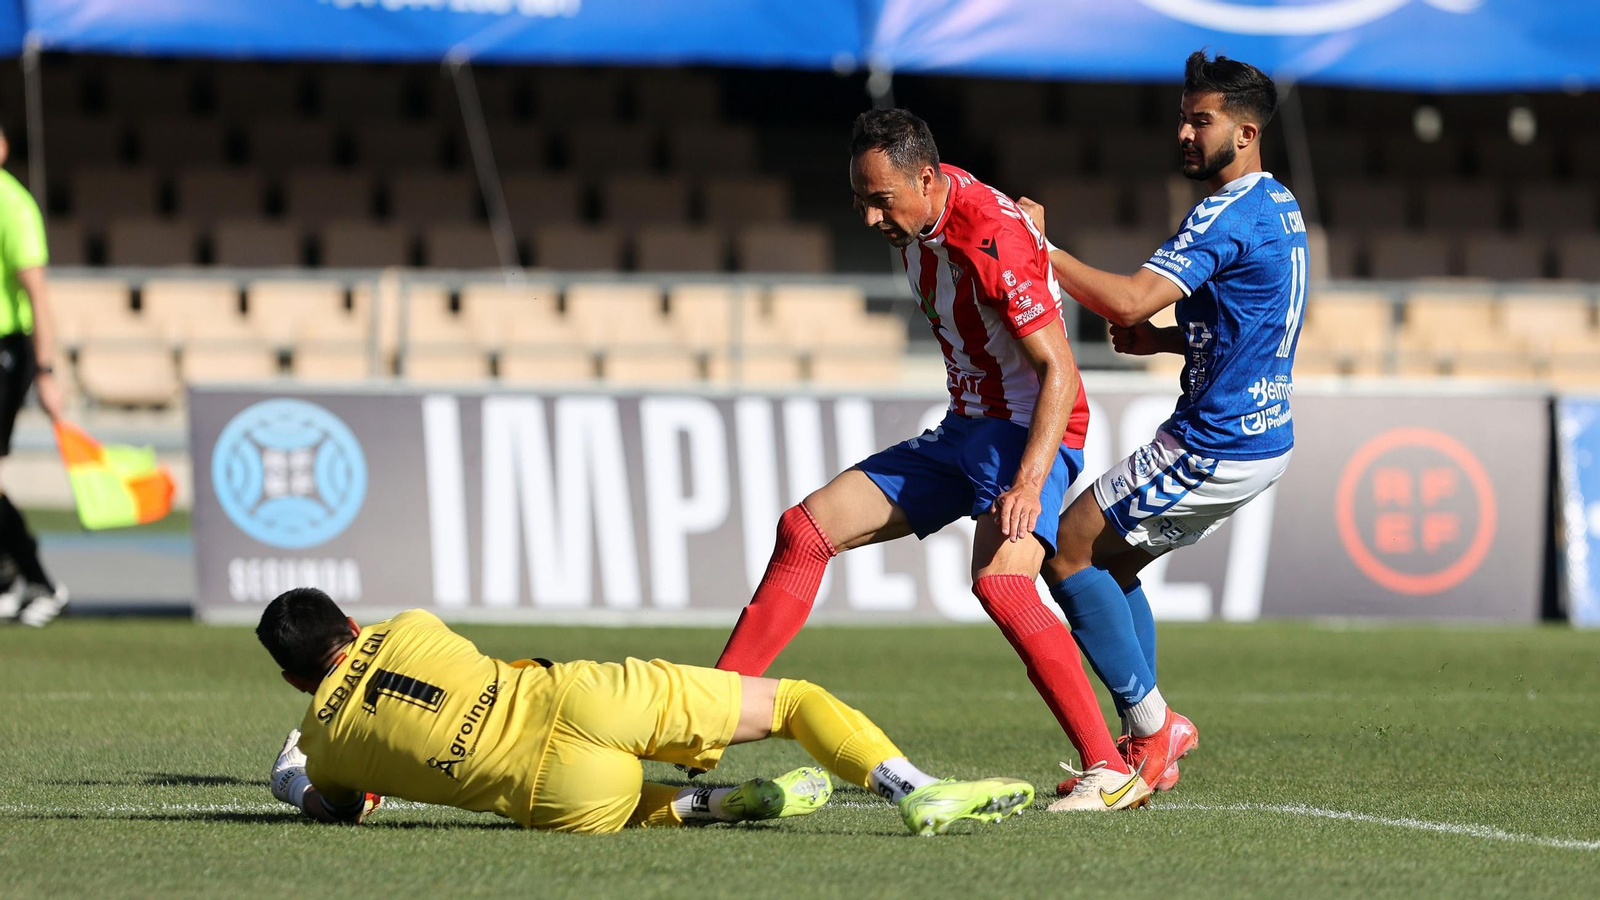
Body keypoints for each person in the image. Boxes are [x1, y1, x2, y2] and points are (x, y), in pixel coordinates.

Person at [713, 108, 1152, 813]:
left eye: (881, 200)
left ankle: (1109, 769)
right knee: (806, 528)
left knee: (1003, 585)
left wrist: (1031, 483)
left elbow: (1061, 374)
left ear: (925, 178)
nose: (870, 218)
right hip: (963, 429)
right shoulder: (929, 209)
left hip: (1024, 433)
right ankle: (707, 713)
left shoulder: (991, 237)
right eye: (859, 200)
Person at [1017, 51, 1306, 796]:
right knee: (1109, 566)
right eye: (1181, 116)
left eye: (1199, 120)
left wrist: (1040, 254)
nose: (1182, 131)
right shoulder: (1279, 205)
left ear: (1245, 132)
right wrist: (1170, 341)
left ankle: (1154, 733)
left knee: (1066, 552)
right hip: (1257, 434)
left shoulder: (1227, 211)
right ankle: (1148, 741)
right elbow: (1259, 323)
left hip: (1218, 440)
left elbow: (1125, 300)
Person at [257, 587, 1036, 836]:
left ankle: (724, 805)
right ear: (352, 626)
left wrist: (292, 779)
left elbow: (343, 811)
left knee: (618, 799)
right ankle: (911, 787)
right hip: (577, 695)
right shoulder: (409, 625)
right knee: (796, 701)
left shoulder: (326, 748)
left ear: (295, 682)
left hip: (551, 791)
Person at [0, 122, 67, 628]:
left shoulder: (14, 206)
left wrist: (45, 371)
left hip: (5, 350)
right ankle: (10, 580)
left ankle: (39, 580)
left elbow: (38, 296)